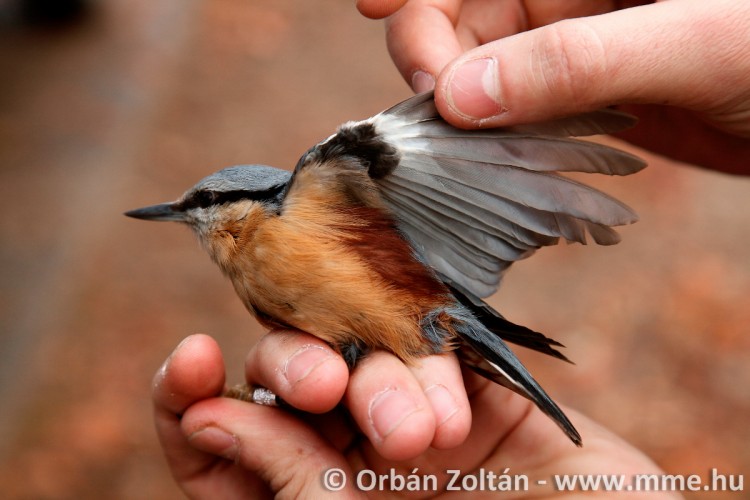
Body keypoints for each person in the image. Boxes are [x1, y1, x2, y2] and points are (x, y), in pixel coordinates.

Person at [154, 1, 749, 497]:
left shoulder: (317, 190)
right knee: (326, 379)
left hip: (429, 312)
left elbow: (411, 146)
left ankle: (282, 403)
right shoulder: (260, 269)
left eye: (203, 203)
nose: (192, 215)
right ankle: (282, 406)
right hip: (413, 351)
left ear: (248, 201)